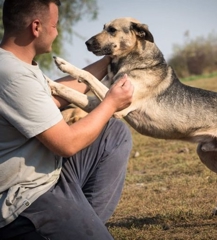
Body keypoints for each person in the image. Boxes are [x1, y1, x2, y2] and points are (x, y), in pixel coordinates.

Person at [0, 0, 134, 239]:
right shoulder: (11, 76)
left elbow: (53, 98)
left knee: (113, 133)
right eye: (55, 25)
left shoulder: (16, 66)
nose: (58, 32)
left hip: (48, 174)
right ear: (36, 27)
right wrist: (111, 103)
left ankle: (82, 222)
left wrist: (109, 60)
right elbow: (67, 144)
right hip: (25, 198)